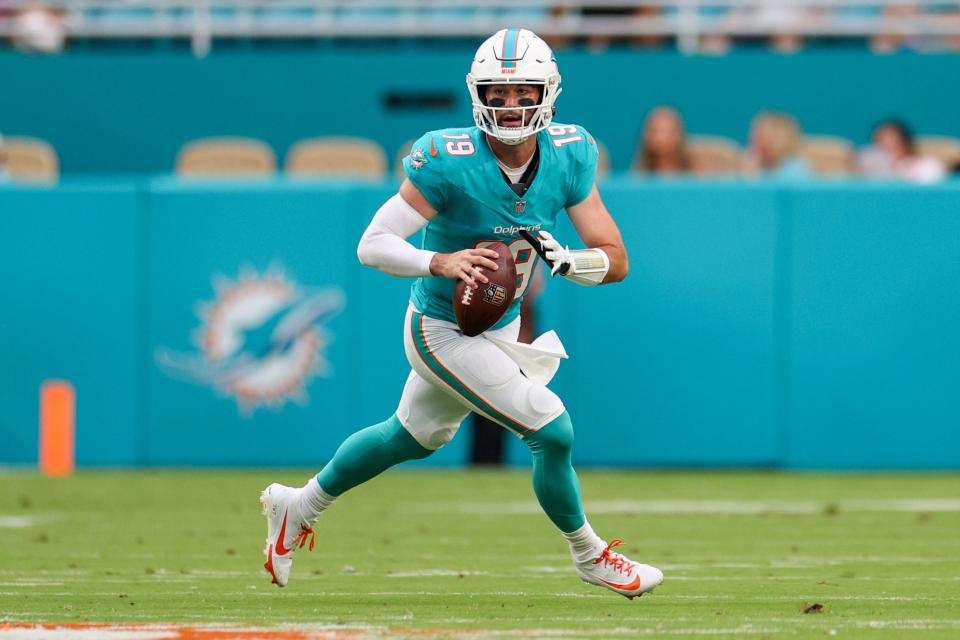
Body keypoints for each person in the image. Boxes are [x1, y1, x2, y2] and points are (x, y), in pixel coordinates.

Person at [259, 28, 664, 600]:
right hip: (439, 328)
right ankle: (591, 555)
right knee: (553, 429)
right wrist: (440, 261)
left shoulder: (571, 152)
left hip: (495, 330)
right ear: (478, 95)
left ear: (548, 93)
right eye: (497, 92)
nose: (509, 104)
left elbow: (618, 259)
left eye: (523, 91)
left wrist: (570, 262)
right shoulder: (448, 159)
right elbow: (372, 243)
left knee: (410, 437)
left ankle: (297, 506)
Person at [858, 119, 946, 184]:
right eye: (880, 143)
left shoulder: (928, 166)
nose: (887, 149)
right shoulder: (867, 168)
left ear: (905, 144)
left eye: (893, 143)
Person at [745, 112, 813, 179]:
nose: (754, 144)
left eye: (760, 138)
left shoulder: (795, 168)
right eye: (754, 138)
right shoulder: (753, 169)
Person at [633, 106, 690, 175]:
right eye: (655, 131)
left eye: (669, 132)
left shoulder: (696, 172)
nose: (662, 138)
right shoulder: (638, 176)